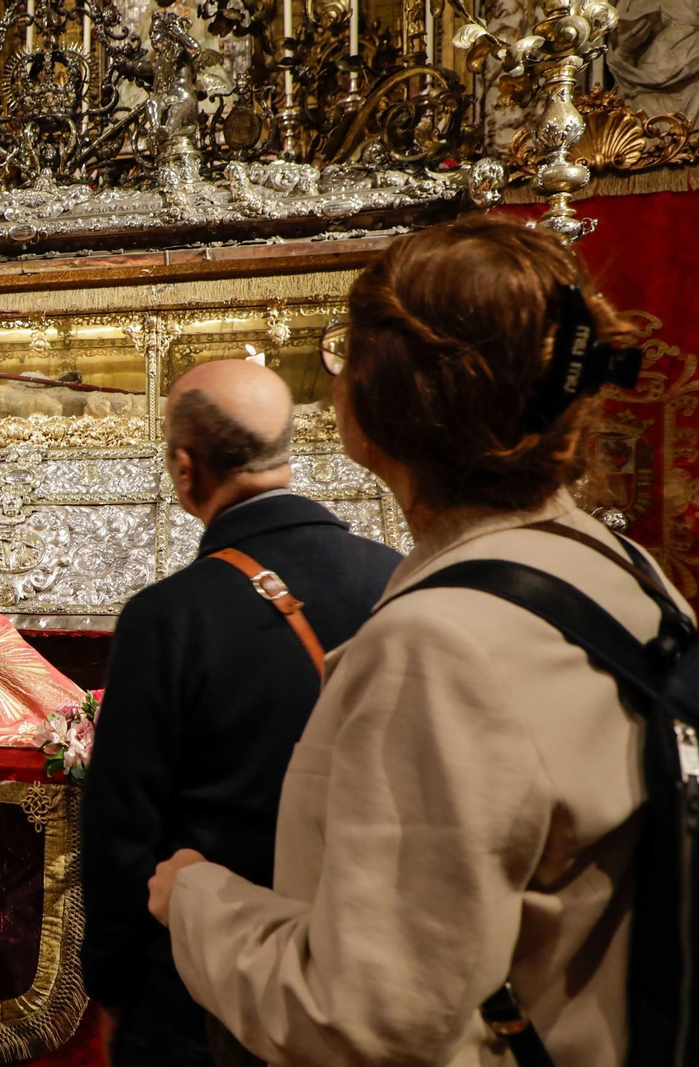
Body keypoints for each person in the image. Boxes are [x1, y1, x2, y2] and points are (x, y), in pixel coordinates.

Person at [148, 214, 677, 1066]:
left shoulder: (440, 646)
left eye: (343, 357)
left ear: (383, 405)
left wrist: (199, 900)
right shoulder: (622, 567)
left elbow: (365, 1020)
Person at [82, 359, 401, 1067]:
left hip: (201, 992)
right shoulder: (394, 577)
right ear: (288, 451)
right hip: (361, 961)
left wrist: (112, 988)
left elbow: (121, 830)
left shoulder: (168, 617)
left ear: (185, 469)